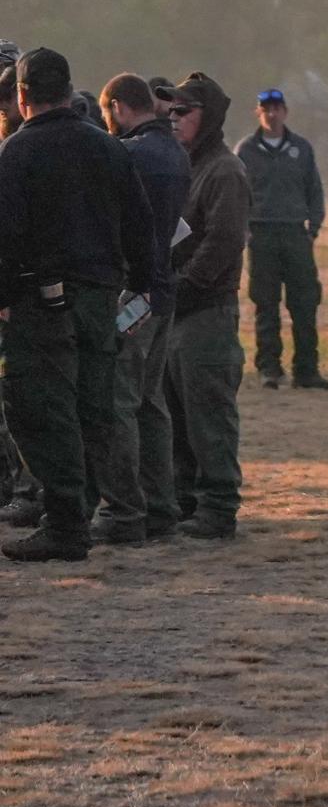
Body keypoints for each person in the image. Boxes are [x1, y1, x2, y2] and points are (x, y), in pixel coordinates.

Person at [0, 49, 154, 561]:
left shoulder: (17, 153)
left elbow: (6, 235)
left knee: (38, 408)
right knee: (93, 408)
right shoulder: (109, 149)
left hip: (39, 304)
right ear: (69, 91)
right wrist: (142, 288)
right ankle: (78, 516)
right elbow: (140, 224)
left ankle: (65, 524)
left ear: (22, 97)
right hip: (100, 299)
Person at [97, 73, 188, 545]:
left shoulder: (128, 156)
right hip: (164, 292)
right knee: (152, 405)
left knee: (120, 402)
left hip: (132, 294)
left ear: (116, 107)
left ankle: (123, 511)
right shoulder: (174, 152)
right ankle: (161, 506)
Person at [160, 73, 250, 541]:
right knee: (177, 413)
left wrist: (185, 286)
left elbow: (224, 241)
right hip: (179, 309)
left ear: (208, 116)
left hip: (207, 311)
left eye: (183, 111)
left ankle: (218, 507)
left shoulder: (225, 170)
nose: (173, 119)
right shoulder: (187, 165)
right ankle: (187, 499)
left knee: (208, 414)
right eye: (170, 110)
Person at [236, 87, 328, 390]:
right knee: (266, 304)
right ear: (258, 112)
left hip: (294, 233)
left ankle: (306, 369)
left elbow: (314, 190)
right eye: (266, 109)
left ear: (285, 112)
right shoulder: (246, 150)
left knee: (304, 303)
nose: (272, 114)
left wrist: (312, 227)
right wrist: (245, 229)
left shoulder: (301, 149)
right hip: (261, 234)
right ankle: (269, 368)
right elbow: (237, 194)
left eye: (277, 108)